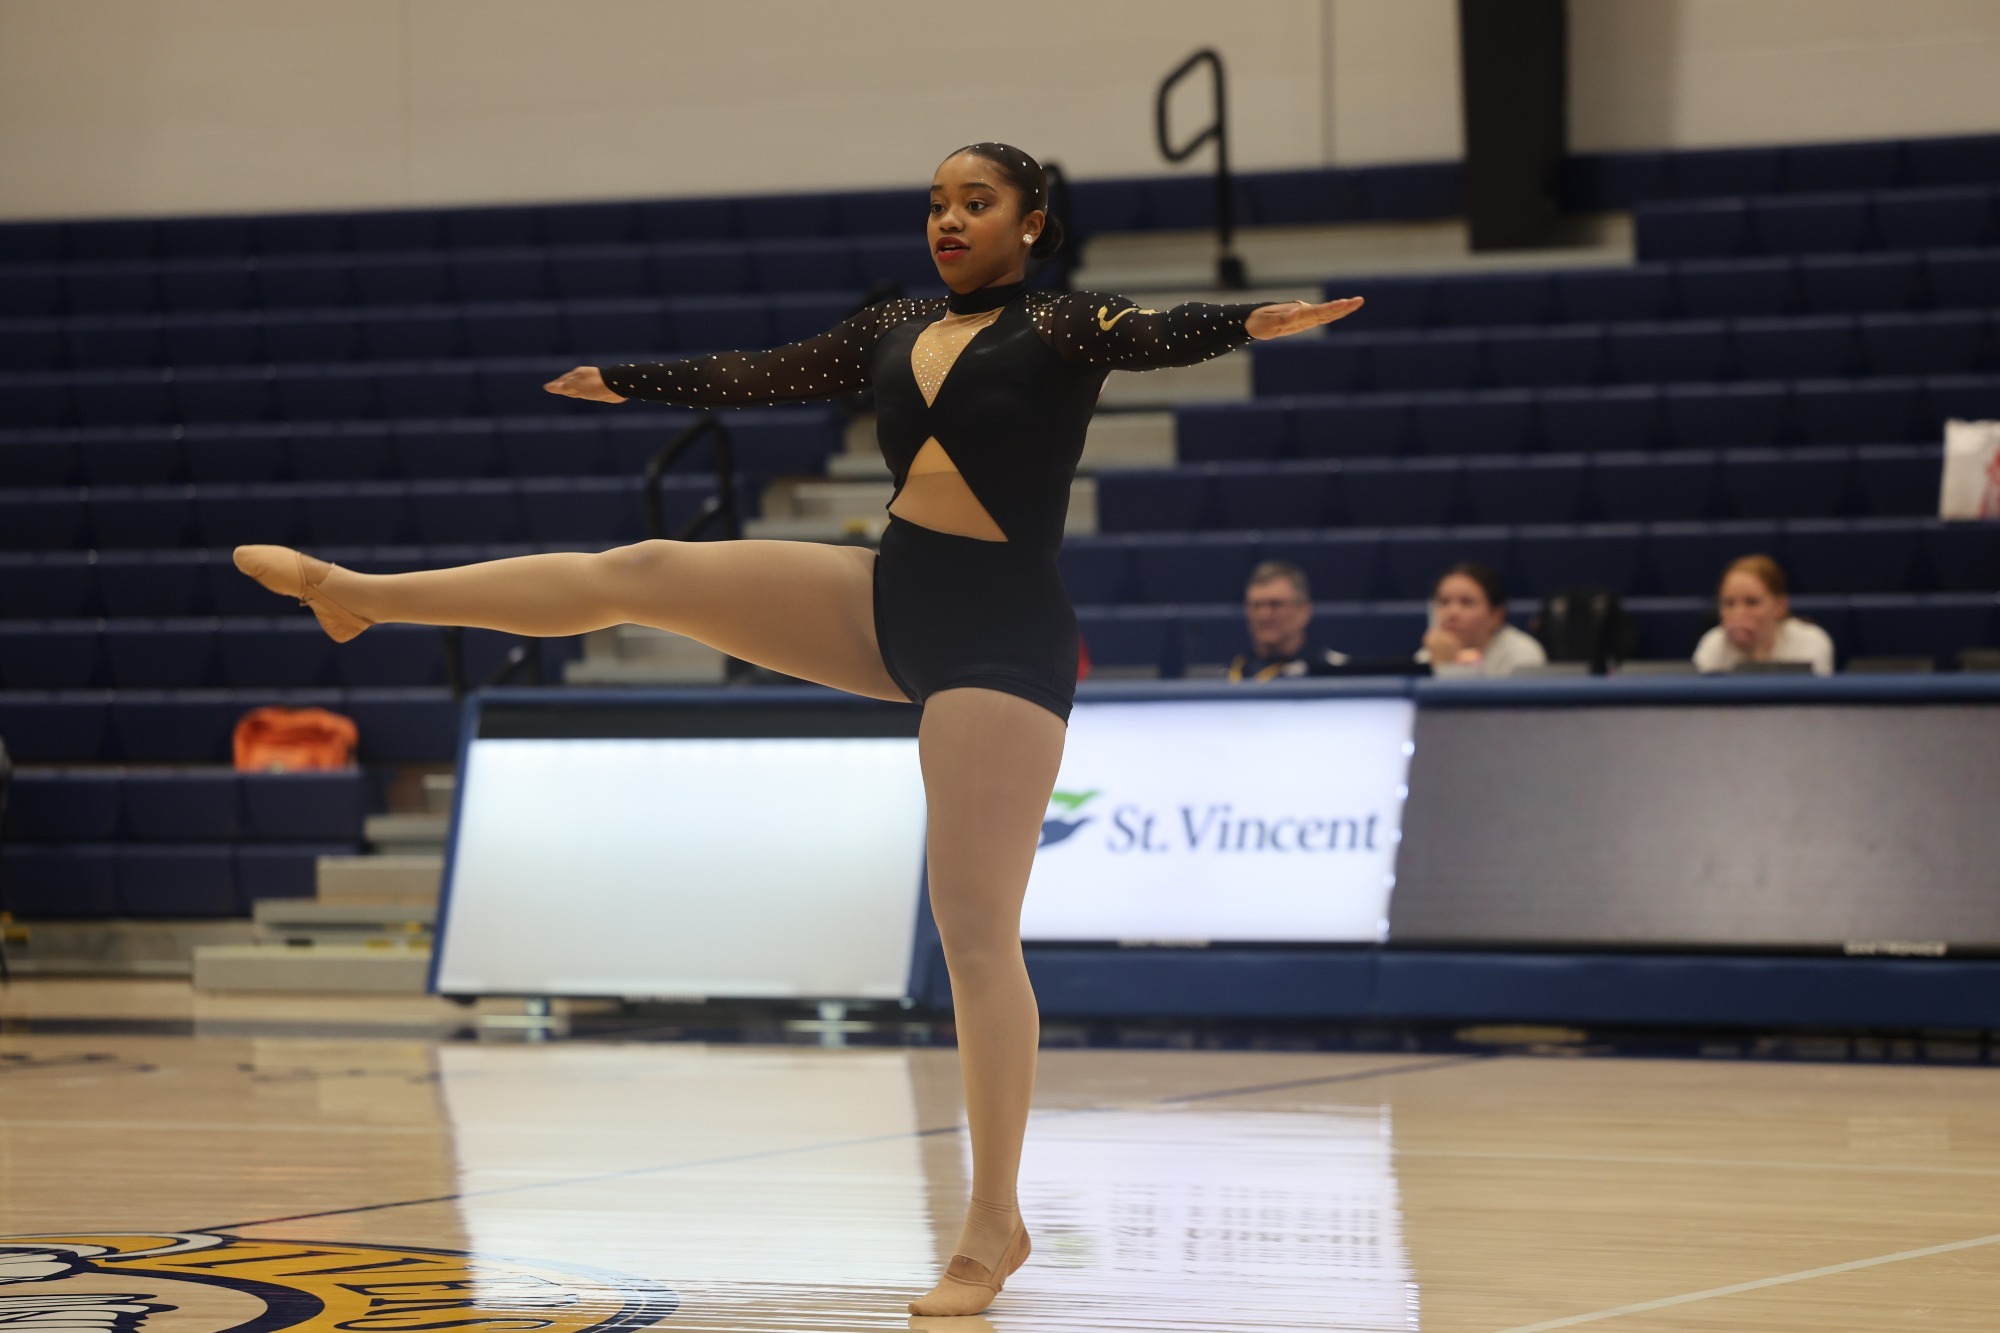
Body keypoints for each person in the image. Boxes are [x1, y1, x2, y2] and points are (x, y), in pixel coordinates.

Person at [229, 142, 1364, 1317]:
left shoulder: (1067, 326)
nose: (948, 220)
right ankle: (360, 594)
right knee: (646, 568)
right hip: (889, 601)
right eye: (935, 203)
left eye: (975, 203)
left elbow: (1156, 330)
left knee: (973, 931)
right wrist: (634, 380)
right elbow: (763, 372)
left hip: (1000, 639)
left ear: (1032, 223)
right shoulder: (897, 321)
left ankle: (993, 1222)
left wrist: (1248, 321)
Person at [1693, 554, 1834, 675]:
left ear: (1780, 606)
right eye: (1729, 603)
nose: (1739, 613)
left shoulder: (1811, 642)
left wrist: (1758, 653)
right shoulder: (1713, 645)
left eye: (1752, 602)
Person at [1416, 562, 1547, 678]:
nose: (1452, 613)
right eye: (1444, 602)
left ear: (1496, 615)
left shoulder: (1522, 655)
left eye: (1466, 602)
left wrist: (1447, 666)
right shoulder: (1427, 655)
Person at [1227, 561, 1349, 680]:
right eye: (1256, 605)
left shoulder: (1337, 674)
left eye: (1276, 605)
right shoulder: (1233, 672)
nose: (1264, 615)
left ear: (1304, 611)